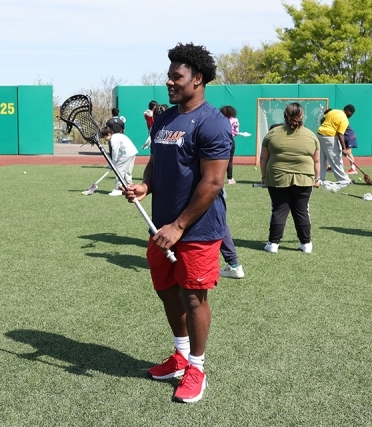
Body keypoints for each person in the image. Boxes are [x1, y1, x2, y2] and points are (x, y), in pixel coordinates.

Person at [123, 42, 231, 403]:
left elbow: (213, 182)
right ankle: (180, 354)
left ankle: (197, 368)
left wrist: (180, 226)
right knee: (166, 291)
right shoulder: (167, 117)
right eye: (168, 76)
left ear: (197, 79)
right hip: (160, 227)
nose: (169, 82)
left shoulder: (214, 123)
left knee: (193, 297)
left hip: (195, 230)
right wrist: (145, 185)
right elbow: (157, 160)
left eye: (176, 76)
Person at [260, 102, 321, 254]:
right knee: (301, 211)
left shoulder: (272, 134)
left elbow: (263, 158)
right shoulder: (311, 135)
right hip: (305, 178)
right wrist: (317, 178)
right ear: (302, 116)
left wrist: (263, 177)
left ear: (285, 115)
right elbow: (317, 161)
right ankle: (306, 244)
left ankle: (273, 244)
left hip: (277, 177)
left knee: (279, 209)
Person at [317, 104, 354, 183]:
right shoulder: (344, 119)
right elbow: (340, 134)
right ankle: (343, 180)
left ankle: (319, 178)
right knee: (336, 159)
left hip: (320, 135)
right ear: (348, 111)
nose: (351, 115)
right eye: (351, 113)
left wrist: (325, 127)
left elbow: (322, 119)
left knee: (322, 158)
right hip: (329, 137)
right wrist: (344, 149)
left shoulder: (333, 111)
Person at [100, 126, 138, 196]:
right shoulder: (117, 136)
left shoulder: (113, 139)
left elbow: (115, 153)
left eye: (105, 137)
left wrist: (113, 164)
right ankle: (130, 186)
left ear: (109, 134)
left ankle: (118, 188)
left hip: (127, 153)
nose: (105, 139)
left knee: (118, 170)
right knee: (127, 171)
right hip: (132, 152)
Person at [219, 105, 239, 184]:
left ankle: (218, 177)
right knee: (229, 160)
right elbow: (236, 132)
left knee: (218, 159)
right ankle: (230, 178)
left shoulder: (219, 120)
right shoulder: (235, 120)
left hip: (219, 140)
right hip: (230, 140)